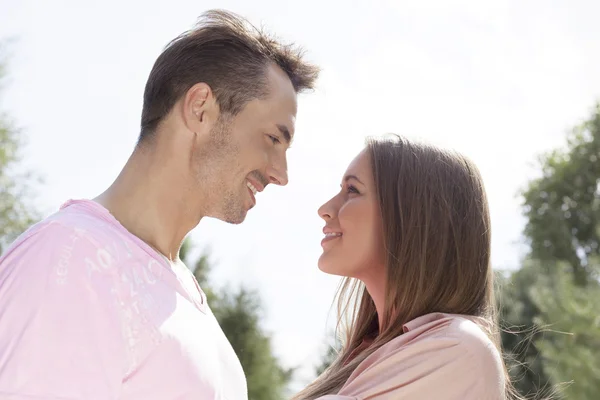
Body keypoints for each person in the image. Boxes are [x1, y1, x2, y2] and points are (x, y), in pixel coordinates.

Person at [0, 9, 319, 400]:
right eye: (273, 138)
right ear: (200, 108)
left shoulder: (182, 295)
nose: (280, 174)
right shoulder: (71, 261)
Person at [294, 135, 510, 399]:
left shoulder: (456, 350)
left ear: (413, 218)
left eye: (352, 190)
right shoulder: (367, 355)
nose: (325, 209)